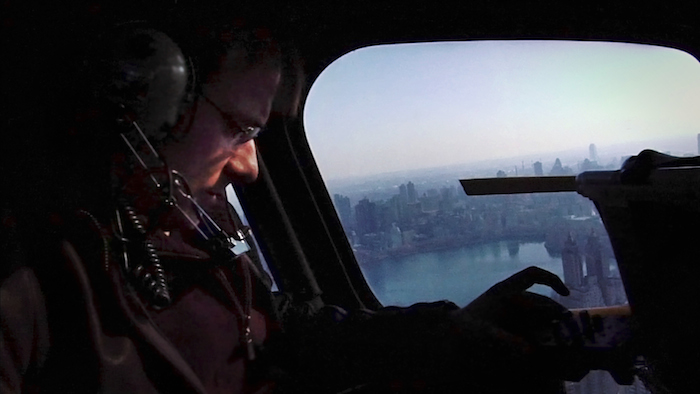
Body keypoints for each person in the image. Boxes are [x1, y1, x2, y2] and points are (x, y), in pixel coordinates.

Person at [1, 10, 578, 394]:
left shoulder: (187, 219)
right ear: (148, 96)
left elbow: (275, 326)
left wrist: (446, 331)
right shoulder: (25, 277)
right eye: (238, 129)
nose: (250, 167)